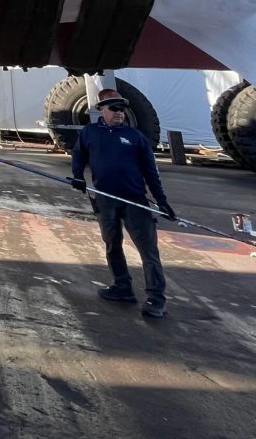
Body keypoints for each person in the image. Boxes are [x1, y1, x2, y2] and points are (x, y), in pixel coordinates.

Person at [70, 90, 176, 319]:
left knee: (148, 251)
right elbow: (79, 155)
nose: (119, 113)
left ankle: (156, 299)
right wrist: (78, 176)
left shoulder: (135, 137)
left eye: (122, 109)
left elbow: (150, 172)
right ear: (102, 110)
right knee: (112, 244)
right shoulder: (90, 132)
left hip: (134, 200)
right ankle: (122, 287)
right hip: (104, 199)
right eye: (114, 109)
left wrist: (162, 201)